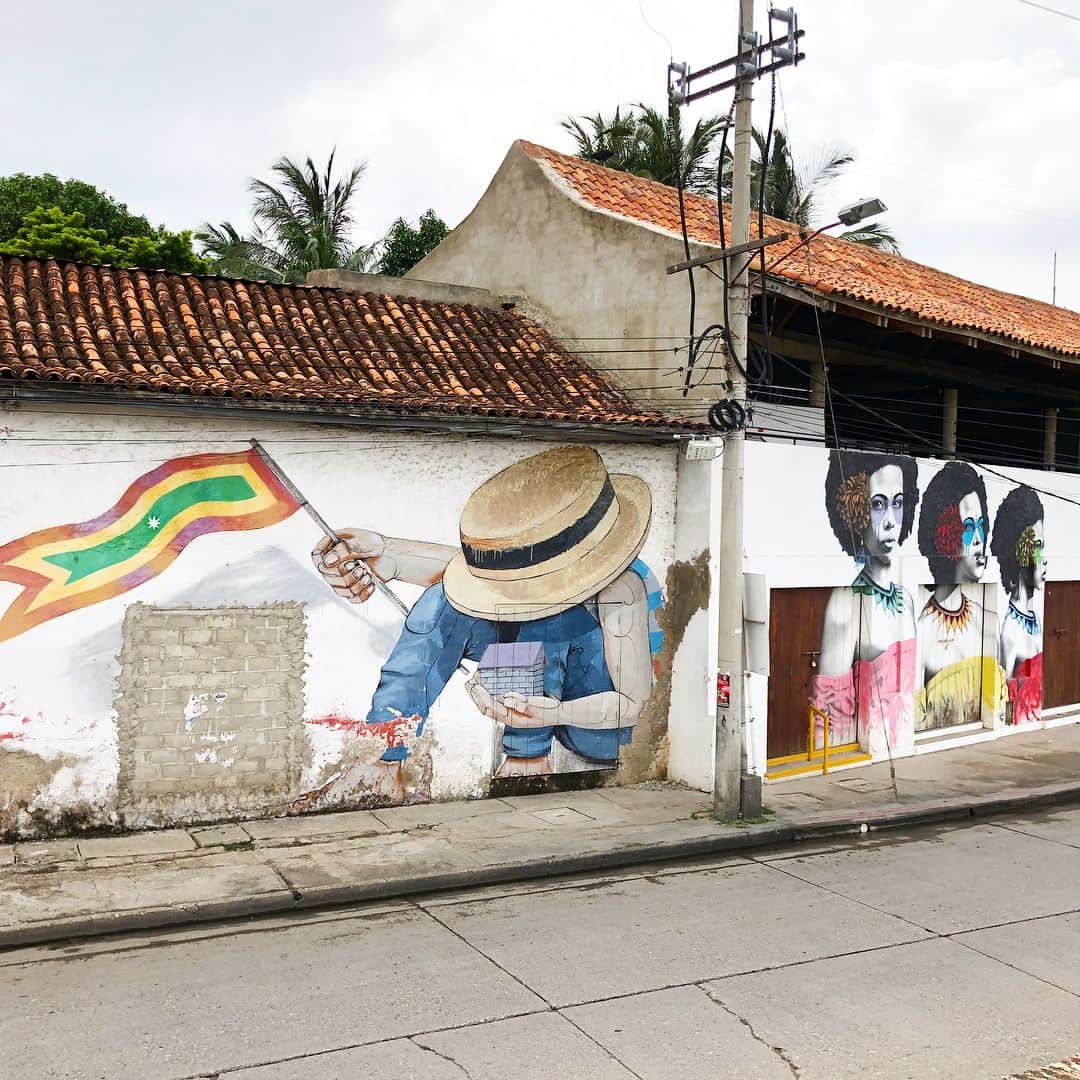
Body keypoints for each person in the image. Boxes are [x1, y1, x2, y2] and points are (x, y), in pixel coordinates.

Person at [310, 446, 661, 791]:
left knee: (550, 617)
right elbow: (482, 577)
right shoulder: (536, 572)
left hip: (598, 730)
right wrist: (385, 554)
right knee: (444, 600)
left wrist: (551, 715)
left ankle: (527, 756)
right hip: (540, 693)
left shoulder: (622, 589)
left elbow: (632, 705)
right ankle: (385, 750)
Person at [810, 450, 919, 756]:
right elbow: (831, 713)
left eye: (897, 504)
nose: (889, 522)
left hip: (902, 742)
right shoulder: (845, 602)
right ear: (855, 512)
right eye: (877, 505)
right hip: (866, 745)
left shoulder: (908, 600)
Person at [915, 461, 1003, 730]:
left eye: (980, 525)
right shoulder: (922, 629)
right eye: (967, 527)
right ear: (944, 535)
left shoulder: (989, 619)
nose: (978, 539)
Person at [991, 485, 1047, 726]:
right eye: (1037, 548)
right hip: (1018, 720)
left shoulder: (1034, 617)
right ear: (1021, 553)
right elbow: (1004, 686)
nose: (1044, 558)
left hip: (1033, 719)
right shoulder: (1010, 629)